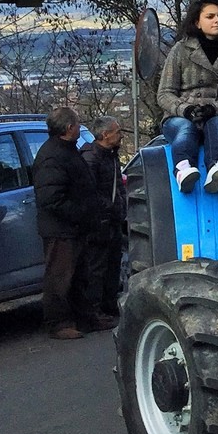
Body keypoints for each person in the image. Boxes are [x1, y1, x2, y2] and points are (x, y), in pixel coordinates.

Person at [157, 0, 218, 193]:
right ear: (197, 22)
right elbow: (165, 93)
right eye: (210, 16)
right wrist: (186, 110)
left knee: (217, 125)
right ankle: (184, 168)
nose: (217, 20)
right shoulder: (180, 50)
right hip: (181, 115)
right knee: (185, 129)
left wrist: (215, 108)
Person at [32, 107, 109, 339]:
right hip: (61, 228)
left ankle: (86, 318)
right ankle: (58, 323)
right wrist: (79, 214)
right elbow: (51, 198)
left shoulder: (66, 151)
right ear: (68, 128)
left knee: (79, 275)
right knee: (59, 276)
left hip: (75, 227)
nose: (79, 126)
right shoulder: (52, 156)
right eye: (77, 123)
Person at [80, 115, 126, 319]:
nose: (121, 136)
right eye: (117, 132)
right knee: (96, 267)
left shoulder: (111, 155)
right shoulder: (92, 158)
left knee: (113, 264)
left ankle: (109, 305)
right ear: (105, 134)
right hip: (99, 222)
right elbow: (90, 191)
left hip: (113, 220)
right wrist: (110, 207)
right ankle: (93, 311)